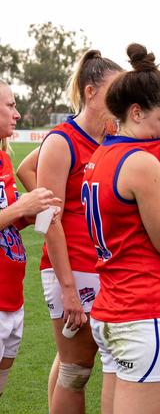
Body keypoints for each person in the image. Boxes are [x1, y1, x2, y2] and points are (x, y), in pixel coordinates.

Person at [84, 43, 160, 414]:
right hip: (141, 309)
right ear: (135, 111)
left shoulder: (100, 156)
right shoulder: (141, 164)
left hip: (115, 306)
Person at [37, 49, 122, 414]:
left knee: (94, 364)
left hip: (105, 268)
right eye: (113, 92)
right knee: (76, 370)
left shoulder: (112, 139)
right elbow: (48, 221)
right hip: (71, 269)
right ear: (90, 92)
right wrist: (69, 289)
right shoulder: (62, 141)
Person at [0, 81, 60, 397]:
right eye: (10, 105)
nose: (18, 114)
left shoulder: (4, 161)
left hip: (12, 297)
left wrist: (31, 212)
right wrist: (20, 207)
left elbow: (8, 224)